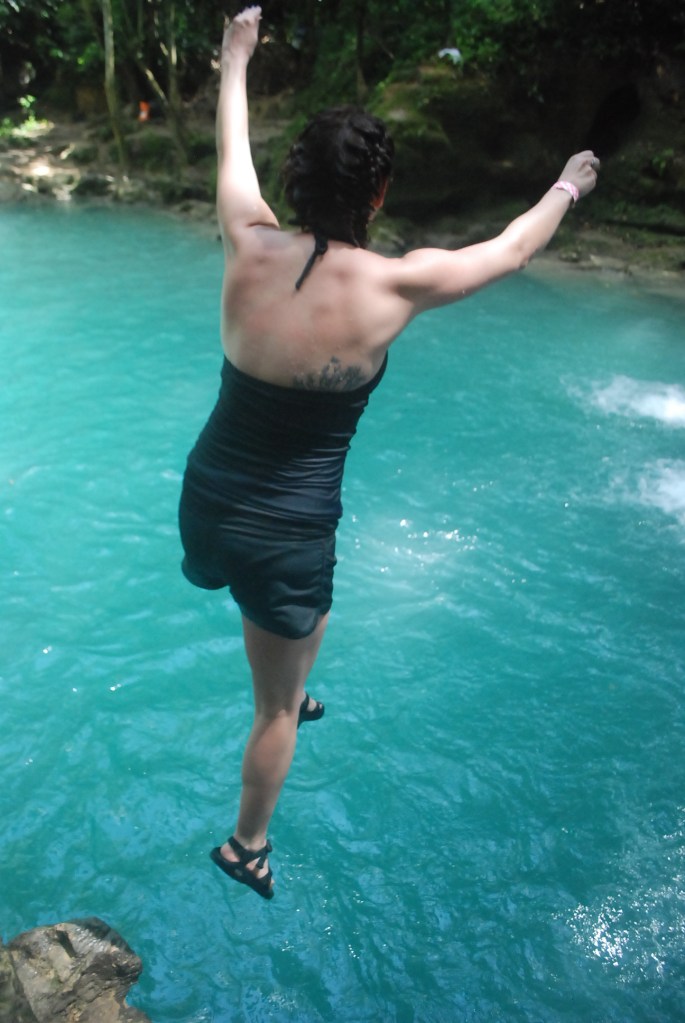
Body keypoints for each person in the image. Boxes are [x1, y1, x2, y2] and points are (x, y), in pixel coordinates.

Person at [178, 5, 599, 900]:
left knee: (290, 614)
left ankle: (293, 679)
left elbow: (230, 148)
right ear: (376, 196)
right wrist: (567, 185)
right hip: (289, 534)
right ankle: (246, 844)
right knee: (275, 707)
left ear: (294, 181)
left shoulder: (246, 242)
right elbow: (511, 250)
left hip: (206, 504)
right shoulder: (399, 283)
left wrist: (236, 55)